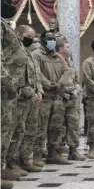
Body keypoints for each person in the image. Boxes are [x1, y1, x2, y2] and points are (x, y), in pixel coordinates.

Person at [5, 25, 43, 178]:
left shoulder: (29, 54)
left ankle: (24, 160)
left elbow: (36, 75)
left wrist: (39, 90)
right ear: (18, 34)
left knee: (28, 131)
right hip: (20, 97)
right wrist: (29, 91)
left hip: (32, 98)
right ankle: (10, 164)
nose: (32, 39)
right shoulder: (14, 52)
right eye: (29, 35)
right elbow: (16, 75)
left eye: (34, 37)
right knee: (16, 132)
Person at [1, 0, 29, 189]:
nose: (11, 3)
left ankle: (3, 168)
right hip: (4, 86)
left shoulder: (3, 24)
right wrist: (7, 82)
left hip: (10, 88)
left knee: (7, 129)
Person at [31, 31, 70, 165]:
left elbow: (66, 71)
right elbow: (36, 73)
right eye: (49, 39)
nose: (52, 41)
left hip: (57, 97)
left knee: (57, 127)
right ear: (42, 40)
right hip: (45, 97)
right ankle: (36, 156)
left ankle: (54, 154)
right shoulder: (37, 55)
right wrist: (48, 84)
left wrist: (59, 84)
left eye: (53, 39)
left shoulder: (59, 57)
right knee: (40, 127)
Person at [57, 40, 85, 161]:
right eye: (67, 47)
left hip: (72, 97)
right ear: (61, 49)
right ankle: (56, 152)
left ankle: (73, 151)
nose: (69, 49)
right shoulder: (56, 60)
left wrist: (76, 90)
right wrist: (63, 93)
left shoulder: (70, 61)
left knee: (73, 125)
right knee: (58, 126)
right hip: (60, 97)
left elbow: (76, 79)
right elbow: (55, 79)